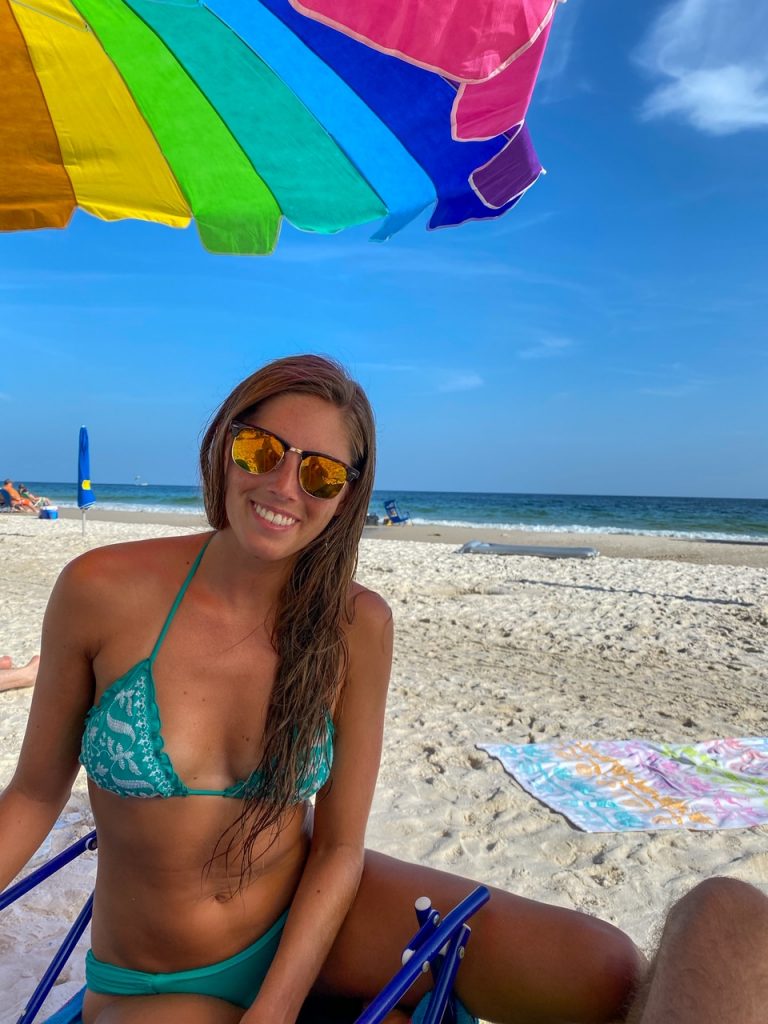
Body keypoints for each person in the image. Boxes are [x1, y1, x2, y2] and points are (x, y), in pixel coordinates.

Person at [0, 355, 764, 1024]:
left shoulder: (354, 624)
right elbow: (35, 795)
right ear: (224, 446)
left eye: (321, 472)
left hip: (311, 924)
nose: (283, 484)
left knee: (607, 967)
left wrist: (278, 1005)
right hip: (157, 978)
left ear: (346, 495)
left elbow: (336, 848)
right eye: (262, 449)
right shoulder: (103, 589)